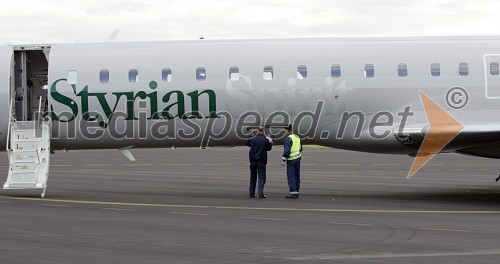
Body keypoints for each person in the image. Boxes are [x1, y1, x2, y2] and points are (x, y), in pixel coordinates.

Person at [247, 125, 274, 199]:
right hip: (261, 161)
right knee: (261, 178)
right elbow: (268, 149)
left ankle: (251, 193)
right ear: (264, 130)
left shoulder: (252, 139)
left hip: (253, 161)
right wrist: (271, 144)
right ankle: (260, 193)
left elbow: (248, 144)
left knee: (253, 178)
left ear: (257, 130)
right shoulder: (265, 140)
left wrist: (251, 135)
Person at [281, 124, 302, 199]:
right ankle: (296, 190)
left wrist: (283, 159)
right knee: (297, 175)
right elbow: (300, 148)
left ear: (286, 130)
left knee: (291, 176)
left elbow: (287, 150)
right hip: (298, 158)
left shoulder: (288, 139)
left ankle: (293, 192)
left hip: (291, 160)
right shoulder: (297, 137)